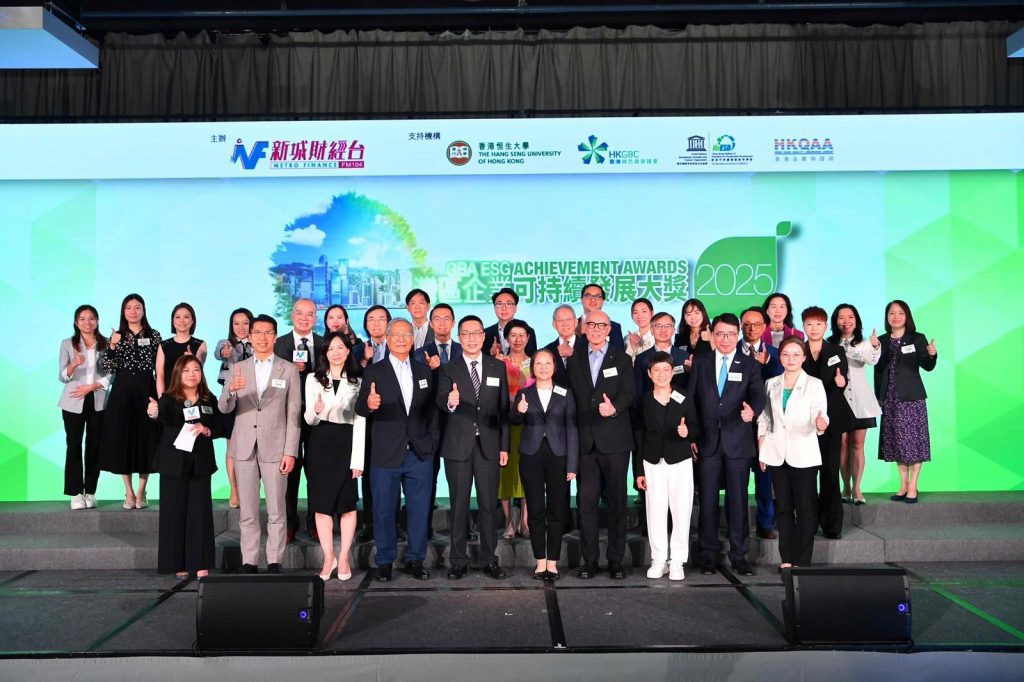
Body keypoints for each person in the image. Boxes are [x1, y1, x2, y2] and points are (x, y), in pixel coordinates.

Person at [356, 318, 439, 582]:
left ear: (413, 340)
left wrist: (431, 443)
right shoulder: (374, 371)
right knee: (383, 510)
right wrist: (369, 404)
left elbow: (432, 412)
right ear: (388, 339)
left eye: (406, 335)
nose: (402, 339)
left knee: (419, 510)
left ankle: (416, 559)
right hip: (385, 453)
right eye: (396, 335)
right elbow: (360, 408)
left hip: (419, 453)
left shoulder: (424, 370)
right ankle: (385, 560)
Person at [218, 313, 301, 573]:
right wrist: (231, 390)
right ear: (250, 337)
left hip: (276, 448)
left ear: (275, 337)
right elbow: (223, 407)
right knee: (248, 511)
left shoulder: (288, 369)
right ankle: (249, 560)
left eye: (268, 333)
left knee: (277, 509)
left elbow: (294, 414)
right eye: (257, 333)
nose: (262, 337)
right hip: (243, 447)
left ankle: (275, 560)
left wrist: (290, 451)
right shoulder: (237, 368)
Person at [690, 312, 766, 576]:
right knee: (707, 500)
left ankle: (739, 555)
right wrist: (692, 436)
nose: (725, 339)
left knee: (738, 500)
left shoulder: (750, 364)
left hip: (738, 442)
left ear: (738, 335)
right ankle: (708, 555)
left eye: (731, 334)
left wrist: (753, 411)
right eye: (720, 334)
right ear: (712, 334)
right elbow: (691, 400)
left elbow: (758, 395)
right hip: (707, 442)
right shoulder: (701, 362)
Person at [437, 315, 510, 580]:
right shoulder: (449, 368)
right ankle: (458, 560)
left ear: (483, 336)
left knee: (489, 505)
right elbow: (440, 401)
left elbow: (504, 409)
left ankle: (490, 559)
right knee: (459, 505)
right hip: (458, 446)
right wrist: (451, 401)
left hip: (489, 446)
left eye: (475, 333)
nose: (471, 338)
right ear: (459, 337)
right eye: (465, 334)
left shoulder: (496, 367)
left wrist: (504, 446)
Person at [567, 309, 635, 579]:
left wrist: (614, 408)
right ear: (583, 328)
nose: (595, 329)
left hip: (615, 440)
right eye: (591, 324)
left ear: (609, 330)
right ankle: (590, 560)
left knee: (617, 503)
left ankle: (616, 560)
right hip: (585, 442)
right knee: (586, 504)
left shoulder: (622, 359)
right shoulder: (574, 359)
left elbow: (629, 393)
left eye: (601, 325)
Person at [757, 337, 829, 570]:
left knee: (806, 510)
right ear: (780, 357)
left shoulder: (814, 384)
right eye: (786, 354)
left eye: (796, 354)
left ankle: (802, 561)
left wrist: (821, 423)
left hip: (804, 453)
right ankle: (786, 558)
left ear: (804, 357)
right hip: (777, 452)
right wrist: (762, 448)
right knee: (784, 508)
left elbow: (821, 414)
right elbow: (765, 418)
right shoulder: (771, 383)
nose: (791, 359)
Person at [149, 355, 222, 580]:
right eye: (186, 370)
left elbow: (219, 425)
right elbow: (160, 416)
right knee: (174, 512)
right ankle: (177, 563)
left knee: (200, 514)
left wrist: (206, 429)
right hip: (174, 463)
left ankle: (200, 563)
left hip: (200, 463)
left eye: (196, 370)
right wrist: (153, 412)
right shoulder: (169, 398)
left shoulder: (209, 398)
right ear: (178, 374)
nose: (192, 374)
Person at [510, 348, 578, 580]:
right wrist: (518, 411)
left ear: (554, 367)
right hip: (531, 455)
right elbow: (514, 420)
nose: (543, 367)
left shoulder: (565, 393)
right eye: (538, 363)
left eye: (548, 363)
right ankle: (540, 561)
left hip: (559, 456)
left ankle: (553, 562)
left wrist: (572, 464)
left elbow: (572, 429)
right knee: (536, 510)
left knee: (557, 511)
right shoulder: (524, 393)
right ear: (533, 367)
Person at [304, 331, 365, 581]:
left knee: (347, 504)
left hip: (347, 442)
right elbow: (309, 419)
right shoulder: (313, 379)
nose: (336, 353)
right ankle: (328, 558)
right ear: (325, 353)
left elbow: (360, 422)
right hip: (320, 443)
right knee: (322, 505)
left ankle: (344, 557)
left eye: (340, 347)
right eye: (331, 348)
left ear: (348, 351)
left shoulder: (358, 381)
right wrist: (316, 411)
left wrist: (358, 460)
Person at [634, 352, 700, 581]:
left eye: (666, 370)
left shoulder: (684, 396)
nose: (661, 375)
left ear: (673, 372)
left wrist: (687, 431)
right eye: (656, 370)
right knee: (655, 510)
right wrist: (639, 471)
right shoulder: (643, 400)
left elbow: (696, 426)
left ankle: (678, 560)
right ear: (649, 374)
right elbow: (639, 435)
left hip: (680, 460)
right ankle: (659, 559)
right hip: (652, 461)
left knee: (681, 510)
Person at [99, 293, 162, 510]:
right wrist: (112, 346)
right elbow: (107, 366)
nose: (133, 311)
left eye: (137, 307)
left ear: (143, 310)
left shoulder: (154, 335)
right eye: (128, 307)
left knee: (147, 439)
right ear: (123, 311)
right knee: (122, 439)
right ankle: (128, 491)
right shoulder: (117, 335)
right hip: (122, 391)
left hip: (147, 390)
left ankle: (142, 491)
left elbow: (160, 367)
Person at [875, 300, 938, 504]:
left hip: (912, 398)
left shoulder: (917, 338)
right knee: (897, 442)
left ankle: (913, 486)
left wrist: (932, 354)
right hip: (890, 398)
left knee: (915, 442)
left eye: (900, 313)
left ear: (907, 316)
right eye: (891, 313)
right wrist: (879, 396)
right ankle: (903, 485)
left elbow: (927, 366)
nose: (896, 317)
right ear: (887, 317)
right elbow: (878, 370)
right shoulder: (882, 341)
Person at [801, 306, 855, 540]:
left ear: (825, 326)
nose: (814, 328)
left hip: (831, 417)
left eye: (818, 324)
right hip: (803, 420)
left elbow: (842, 378)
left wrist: (842, 383)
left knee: (830, 472)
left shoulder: (836, 350)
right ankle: (808, 523)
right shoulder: (798, 350)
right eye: (809, 324)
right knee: (806, 474)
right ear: (803, 326)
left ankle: (832, 525)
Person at [273, 298, 322, 543]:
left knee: (316, 471)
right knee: (288, 471)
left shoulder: (324, 344)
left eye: (309, 314)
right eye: (300, 313)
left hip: (317, 417)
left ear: (315, 318)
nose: (304, 318)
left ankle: (316, 522)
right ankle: (289, 523)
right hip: (286, 416)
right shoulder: (279, 344)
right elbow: (271, 380)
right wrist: (289, 370)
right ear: (292, 316)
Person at [58, 305, 110, 510]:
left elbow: (111, 373)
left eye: (91, 318)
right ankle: (75, 493)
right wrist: (73, 364)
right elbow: (62, 376)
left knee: (95, 446)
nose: (87, 322)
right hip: (73, 401)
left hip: (98, 400)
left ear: (97, 321)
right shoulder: (67, 344)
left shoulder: (107, 344)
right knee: (73, 445)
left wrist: (93, 386)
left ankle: (90, 491)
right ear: (76, 322)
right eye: (82, 319)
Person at [739, 306, 784, 540]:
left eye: (756, 324)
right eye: (747, 324)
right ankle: (738, 525)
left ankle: (765, 522)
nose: (751, 328)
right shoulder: (730, 350)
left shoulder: (775, 353)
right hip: (737, 423)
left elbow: (782, 382)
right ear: (740, 326)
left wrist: (768, 363)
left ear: (764, 327)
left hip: (766, 423)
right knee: (736, 478)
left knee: (764, 475)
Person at [829, 304, 881, 505]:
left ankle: (857, 487)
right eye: (841, 317)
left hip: (861, 400)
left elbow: (872, 359)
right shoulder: (829, 344)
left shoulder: (865, 343)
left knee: (858, 444)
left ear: (856, 320)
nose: (846, 321)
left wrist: (875, 346)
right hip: (838, 400)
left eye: (850, 317)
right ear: (835, 321)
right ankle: (846, 486)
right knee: (842, 444)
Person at [416, 303, 462, 529]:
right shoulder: (420, 353)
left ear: (453, 322)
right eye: (437, 319)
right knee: (429, 476)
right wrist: (430, 371)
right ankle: (425, 528)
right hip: (430, 423)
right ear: (431, 324)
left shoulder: (464, 350)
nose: (442, 323)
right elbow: (416, 389)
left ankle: (464, 527)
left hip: (460, 422)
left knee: (461, 479)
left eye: (446, 319)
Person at [355, 304, 397, 544]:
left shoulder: (400, 347)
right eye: (372, 319)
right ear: (365, 324)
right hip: (367, 421)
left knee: (395, 476)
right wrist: (364, 362)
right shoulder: (357, 350)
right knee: (370, 475)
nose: (377, 323)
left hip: (395, 421)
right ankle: (370, 524)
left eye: (382, 318)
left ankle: (394, 524)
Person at [213, 307, 253, 509]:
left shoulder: (257, 343)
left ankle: (250, 490)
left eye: (245, 323)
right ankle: (234, 490)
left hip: (253, 399)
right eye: (236, 323)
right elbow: (219, 353)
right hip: (230, 399)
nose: (241, 327)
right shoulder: (225, 343)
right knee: (232, 446)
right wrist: (225, 353)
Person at [496, 319, 533, 540]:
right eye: (513, 335)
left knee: (527, 473)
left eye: (522, 335)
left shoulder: (536, 363)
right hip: (504, 425)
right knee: (505, 474)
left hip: (528, 426)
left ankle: (525, 522)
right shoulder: (498, 363)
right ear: (507, 338)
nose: (517, 339)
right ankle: (509, 522)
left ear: (528, 338)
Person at [155, 302, 206, 397]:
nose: (181, 321)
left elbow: (199, 373)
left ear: (193, 320)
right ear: (172, 320)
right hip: (168, 396)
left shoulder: (200, 344)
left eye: (186, 317)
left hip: (192, 397)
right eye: (178, 317)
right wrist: (162, 399)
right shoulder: (163, 345)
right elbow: (160, 375)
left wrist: (192, 358)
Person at [484, 287, 539, 357]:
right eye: (499, 304)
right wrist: (491, 353)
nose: (504, 308)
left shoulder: (528, 331)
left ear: (515, 308)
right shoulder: (485, 333)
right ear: (494, 308)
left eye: (509, 304)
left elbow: (532, 359)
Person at [575, 283, 625, 351]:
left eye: (597, 296)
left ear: (603, 301)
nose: (593, 299)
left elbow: (620, 354)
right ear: (581, 299)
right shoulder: (571, 325)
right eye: (588, 296)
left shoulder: (615, 327)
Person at [543, 303, 578, 387]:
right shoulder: (547, 351)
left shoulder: (587, 346)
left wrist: (573, 354)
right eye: (560, 320)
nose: (565, 324)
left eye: (568, 319)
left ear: (576, 322)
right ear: (554, 325)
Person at [624, 297, 655, 363]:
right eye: (635, 312)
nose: (640, 316)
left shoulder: (659, 335)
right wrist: (632, 347)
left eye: (644, 311)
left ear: (652, 313)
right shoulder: (628, 338)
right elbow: (624, 363)